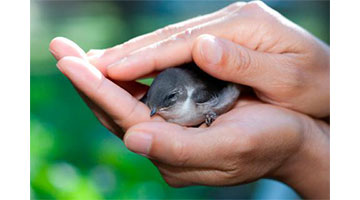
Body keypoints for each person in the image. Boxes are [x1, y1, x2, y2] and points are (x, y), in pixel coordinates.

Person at [49, 1, 329, 199]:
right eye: (153, 105)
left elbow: (227, 88)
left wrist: (303, 151)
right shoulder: (154, 102)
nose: (155, 111)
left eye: (165, 104)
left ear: (182, 96)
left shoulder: (201, 95)